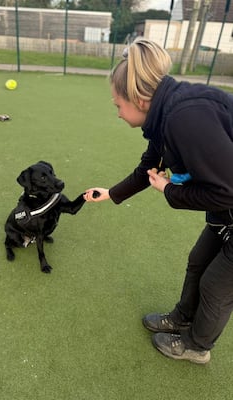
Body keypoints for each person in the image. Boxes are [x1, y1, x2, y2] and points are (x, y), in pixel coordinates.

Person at [84, 38, 233, 364]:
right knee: (198, 260)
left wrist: (169, 191)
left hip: (229, 198)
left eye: (117, 105)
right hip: (227, 211)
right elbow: (148, 167)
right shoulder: (164, 117)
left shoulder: (185, 117)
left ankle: (197, 346)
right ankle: (182, 318)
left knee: (216, 287)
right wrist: (111, 193)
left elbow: (226, 190)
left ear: (138, 100)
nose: (118, 113)